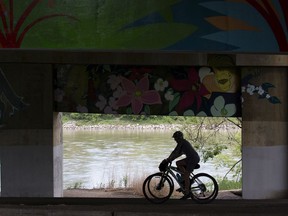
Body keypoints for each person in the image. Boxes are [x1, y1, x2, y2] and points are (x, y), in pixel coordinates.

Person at [164, 131, 200, 200]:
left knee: (186, 174)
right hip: (191, 158)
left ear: (179, 138)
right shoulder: (183, 143)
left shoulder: (182, 142)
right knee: (178, 163)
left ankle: (187, 191)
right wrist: (170, 159)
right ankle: (185, 180)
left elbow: (175, 151)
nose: (175, 140)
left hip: (192, 159)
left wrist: (168, 159)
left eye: (175, 138)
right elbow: (178, 154)